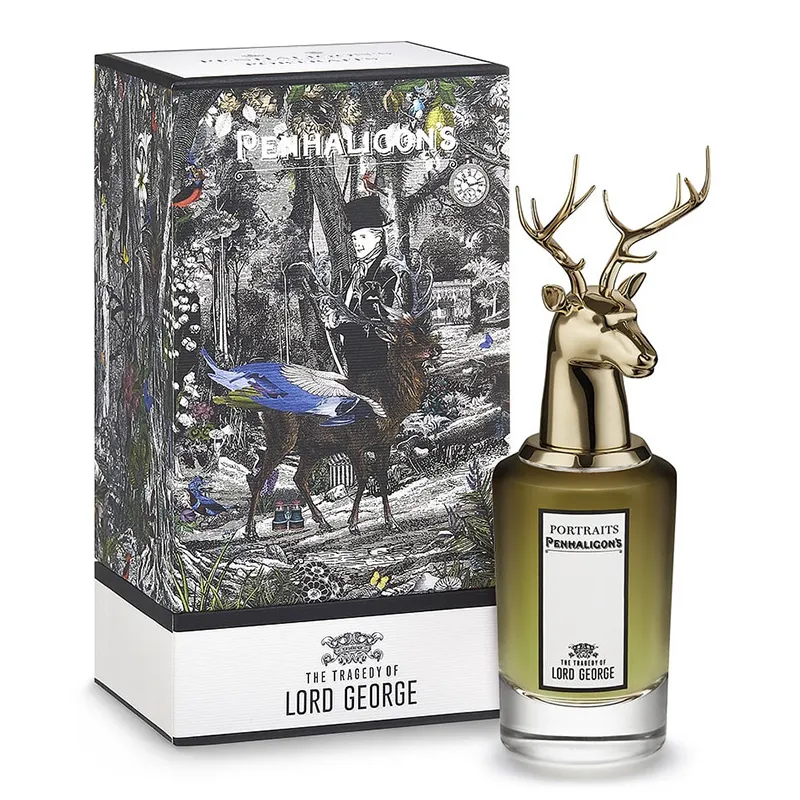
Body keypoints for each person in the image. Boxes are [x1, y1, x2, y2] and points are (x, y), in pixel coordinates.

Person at [329, 195, 412, 377]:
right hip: (354, 358)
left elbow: (374, 321)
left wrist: (339, 323)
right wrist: (333, 318)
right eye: (354, 238)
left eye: (363, 236)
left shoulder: (386, 272)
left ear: (378, 237)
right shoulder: (355, 273)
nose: (357, 243)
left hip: (375, 360)